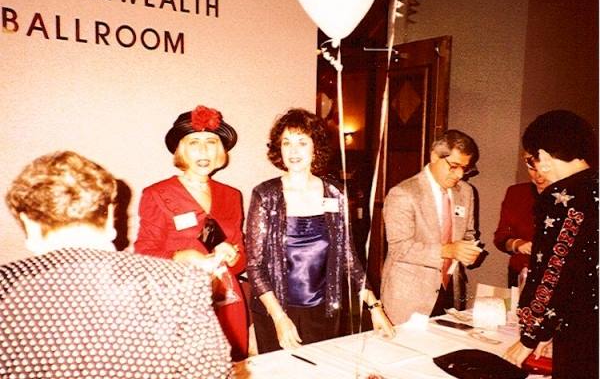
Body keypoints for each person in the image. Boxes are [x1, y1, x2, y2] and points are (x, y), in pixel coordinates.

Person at [1, 151, 231, 378]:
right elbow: (212, 373)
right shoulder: (181, 281)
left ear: (28, 223)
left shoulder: (5, 285)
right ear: (111, 215)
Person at [246, 108, 395, 353]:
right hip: (275, 311)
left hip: (324, 310)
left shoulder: (334, 193)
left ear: (315, 147)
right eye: (286, 143)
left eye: (302, 142)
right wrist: (280, 318)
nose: (293, 151)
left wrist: (374, 307)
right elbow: (255, 265)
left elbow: (348, 257)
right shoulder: (266, 195)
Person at [134, 105, 248, 361]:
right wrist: (180, 256)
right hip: (178, 304)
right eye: (194, 143)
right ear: (181, 150)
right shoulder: (157, 194)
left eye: (211, 142)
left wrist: (234, 257)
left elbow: (241, 260)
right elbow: (143, 255)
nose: (204, 151)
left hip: (227, 303)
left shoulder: (231, 195)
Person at [503, 110, 598, 378]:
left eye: (532, 159)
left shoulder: (561, 198)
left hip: (580, 333)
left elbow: (552, 271)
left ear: (543, 156)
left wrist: (530, 336)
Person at [380, 130, 482, 324]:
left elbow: (469, 233)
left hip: (450, 291)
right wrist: (449, 250)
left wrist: (469, 250)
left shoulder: (466, 192)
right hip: (409, 297)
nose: (460, 174)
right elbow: (399, 249)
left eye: (465, 168)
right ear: (434, 156)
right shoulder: (403, 193)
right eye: (454, 166)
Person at [494, 152, 550, 287]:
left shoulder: (572, 196)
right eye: (533, 170)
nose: (538, 176)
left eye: (544, 170)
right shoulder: (516, 193)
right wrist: (517, 244)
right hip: (520, 271)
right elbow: (501, 236)